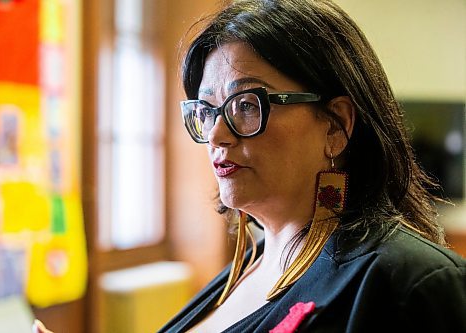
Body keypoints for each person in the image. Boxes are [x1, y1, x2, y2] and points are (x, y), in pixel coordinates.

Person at [159, 0, 466, 332]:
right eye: (206, 111)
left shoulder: (409, 281)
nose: (216, 135)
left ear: (336, 125)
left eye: (247, 105)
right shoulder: (249, 266)